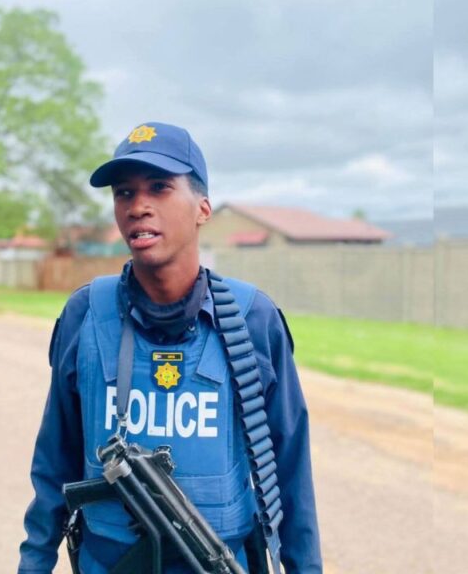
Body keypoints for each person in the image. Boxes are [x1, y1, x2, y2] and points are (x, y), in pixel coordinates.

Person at [18, 122, 322, 573]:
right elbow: (54, 461)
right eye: (124, 193)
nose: (138, 206)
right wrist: (33, 564)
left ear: (203, 208)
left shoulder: (252, 319)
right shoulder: (86, 313)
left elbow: (291, 471)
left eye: (159, 187)